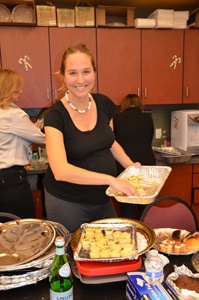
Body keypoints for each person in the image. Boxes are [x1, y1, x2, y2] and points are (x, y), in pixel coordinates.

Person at [43, 43, 141, 233]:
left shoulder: (104, 103)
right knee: (75, 256)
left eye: (86, 71)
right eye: (72, 73)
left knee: (111, 249)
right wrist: (111, 180)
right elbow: (60, 171)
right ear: (63, 75)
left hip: (102, 199)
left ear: (94, 72)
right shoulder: (55, 115)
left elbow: (109, 141)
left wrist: (130, 166)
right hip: (67, 203)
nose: (80, 80)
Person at [0, 69, 45, 219]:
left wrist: (31, 131)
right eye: (16, 88)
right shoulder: (13, 114)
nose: (20, 91)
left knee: (5, 229)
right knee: (25, 227)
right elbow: (43, 140)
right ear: (8, 89)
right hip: (11, 180)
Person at [113, 93, 156, 219]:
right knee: (146, 205)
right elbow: (149, 139)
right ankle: (148, 234)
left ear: (124, 105)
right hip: (146, 165)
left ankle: (130, 233)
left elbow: (112, 143)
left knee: (127, 206)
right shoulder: (148, 118)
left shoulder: (116, 118)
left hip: (124, 166)